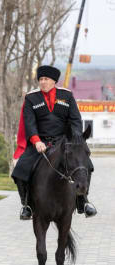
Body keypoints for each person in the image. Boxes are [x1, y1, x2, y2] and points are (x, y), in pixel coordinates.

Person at [12, 65, 97, 220]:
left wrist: (75, 139)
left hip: (64, 142)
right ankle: (27, 205)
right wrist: (36, 141)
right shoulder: (31, 98)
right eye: (41, 79)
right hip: (40, 143)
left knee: (87, 165)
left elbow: (75, 120)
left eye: (46, 79)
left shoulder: (67, 96)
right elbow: (29, 122)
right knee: (20, 170)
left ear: (53, 81)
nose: (43, 82)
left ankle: (83, 201)